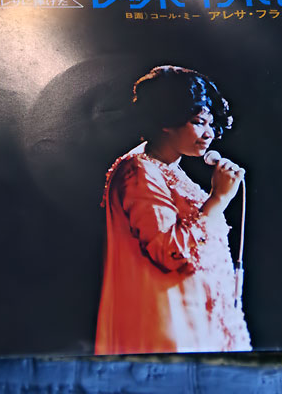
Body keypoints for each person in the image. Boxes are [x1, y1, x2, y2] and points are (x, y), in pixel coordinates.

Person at [95, 65, 251, 354]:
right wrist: (218, 200)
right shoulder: (138, 170)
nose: (209, 133)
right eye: (198, 122)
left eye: (211, 124)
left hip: (201, 321)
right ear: (167, 120)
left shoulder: (169, 171)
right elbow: (169, 251)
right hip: (173, 328)